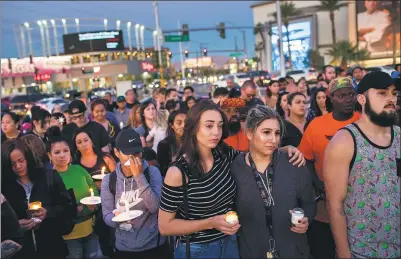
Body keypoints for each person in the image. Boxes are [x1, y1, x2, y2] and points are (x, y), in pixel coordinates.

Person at [158, 100, 305, 259]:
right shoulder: (178, 172)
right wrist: (211, 222)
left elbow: (252, 157)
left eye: (220, 126)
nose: (216, 132)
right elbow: (165, 226)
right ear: (194, 127)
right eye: (209, 126)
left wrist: (284, 149)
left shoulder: (224, 154)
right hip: (197, 249)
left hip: (230, 243)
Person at [324, 71, 400, 258]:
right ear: (361, 98)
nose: (391, 98)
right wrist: (343, 253)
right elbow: (335, 203)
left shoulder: (398, 136)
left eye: (393, 93)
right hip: (362, 251)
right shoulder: (345, 140)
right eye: (382, 93)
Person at [231, 105, 316, 258]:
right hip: (251, 251)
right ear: (249, 133)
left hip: (293, 250)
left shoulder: (294, 164)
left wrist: (305, 220)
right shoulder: (235, 168)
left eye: (277, 133)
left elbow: (309, 203)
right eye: (266, 133)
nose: (273, 139)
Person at [298, 77, 361, 259]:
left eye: (351, 94)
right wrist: (317, 183)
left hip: (358, 204)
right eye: (341, 95)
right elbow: (305, 159)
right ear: (331, 98)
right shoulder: (316, 125)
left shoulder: (363, 121)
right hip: (324, 205)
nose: (348, 99)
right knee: (324, 250)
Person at [101, 129, 168, 259]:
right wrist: (116, 219)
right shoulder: (110, 180)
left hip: (154, 245)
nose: (133, 157)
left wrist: (139, 176)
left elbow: (155, 207)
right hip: (124, 248)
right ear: (116, 153)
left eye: (137, 152)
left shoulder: (152, 172)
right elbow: (107, 215)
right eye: (128, 153)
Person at [1, 139, 73, 259]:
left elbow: (67, 207)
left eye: (21, 160)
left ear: (28, 157)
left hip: (51, 247)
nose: (18, 166)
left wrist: (47, 213)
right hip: (22, 252)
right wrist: (15, 227)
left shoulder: (48, 177)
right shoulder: (5, 187)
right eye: (12, 164)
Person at [48, 136, 102, 259]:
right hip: (68, 236)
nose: (62, 155)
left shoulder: (79, 170)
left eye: (65, 151)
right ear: (49, 155)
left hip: (90, 230)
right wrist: (73, 209)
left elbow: (93, 189)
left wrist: (95, 203)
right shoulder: (49, 178)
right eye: (57, 152)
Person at [156, 111, 186, 177]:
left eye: (186, 122)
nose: (183, 126)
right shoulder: (163, 145)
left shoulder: (194, 142)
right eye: (179, 123)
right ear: (171, 125)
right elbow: (163, 171)